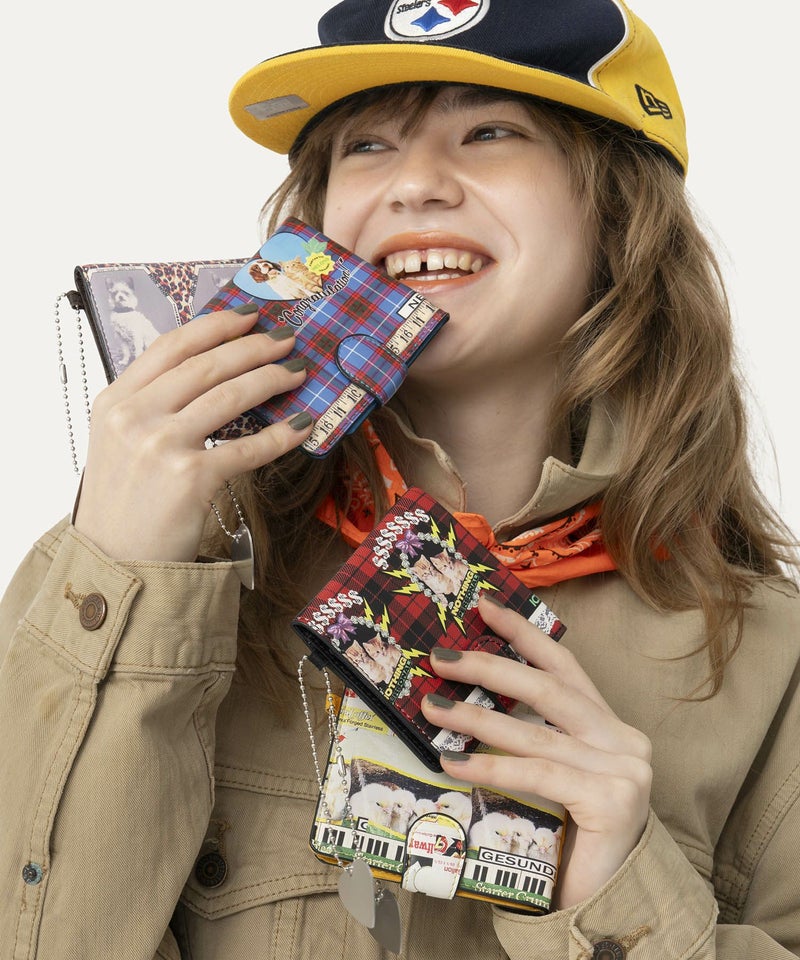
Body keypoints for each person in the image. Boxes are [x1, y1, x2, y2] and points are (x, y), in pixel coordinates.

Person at [1, 0, 798, 957]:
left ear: (621, 212)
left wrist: (624, 896)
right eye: (367, 145)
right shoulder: (149, 575)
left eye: (490, 132)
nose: (414, 184)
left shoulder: (773, 662)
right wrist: (123, 577)